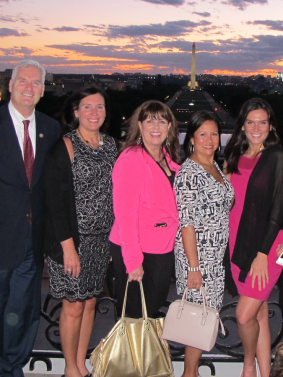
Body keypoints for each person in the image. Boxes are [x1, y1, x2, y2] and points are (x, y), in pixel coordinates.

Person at [44, 86, 118, 377]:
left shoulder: (112, 145)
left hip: (101, 241)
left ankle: (81, 364)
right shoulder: (65, 145)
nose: (93, 113)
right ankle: (70, 368)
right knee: (73, 306)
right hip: (72, 242)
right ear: (75, 112)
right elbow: (54, 201)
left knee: (89, 304)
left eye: (99, 107)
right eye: (87, 107)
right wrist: (68, 247)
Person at [0, 60, 60, 377]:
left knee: (22, 312)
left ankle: (12, 368)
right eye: (22, 81)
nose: (28, 87)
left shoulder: (50, 129)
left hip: (31, 243)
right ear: (10, 85)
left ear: (42, 91)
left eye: (36, 83)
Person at [224, 98, 283, 377]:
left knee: (244, 315)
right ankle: (264, 371)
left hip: (269, 245)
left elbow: (278, 208)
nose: (256, 127)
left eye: (262, 122)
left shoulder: (276, 156)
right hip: (238, 239)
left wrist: (262, 254)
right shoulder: (234, 154)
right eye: (251, 122)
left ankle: (248, 366)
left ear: (271, 126)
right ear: (242, 125)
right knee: (258, 313)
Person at [174, 110, 234, 377]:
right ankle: (190, 373)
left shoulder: (213, 164)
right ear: (192, 139)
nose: (209, 139)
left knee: (204, 319)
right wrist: (194, 268)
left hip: (214, 256)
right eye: (202, 134)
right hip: (199, 259)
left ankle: (192, 372)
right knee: (197, 324)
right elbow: (186, 223)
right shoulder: (189, 172)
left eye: (213, 133)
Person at [109, 100, 181, 318]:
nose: (156, 127)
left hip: (161, 250)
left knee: (150, 310)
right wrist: (132, 261)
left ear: (170, 126)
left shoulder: (168, 159)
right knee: (134, 317)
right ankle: (131, 354)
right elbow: (125, 216)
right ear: (139, 126)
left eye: (162, 121)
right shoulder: (131, 159)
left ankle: (144, 353)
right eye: (150, 121)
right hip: (139, 251)